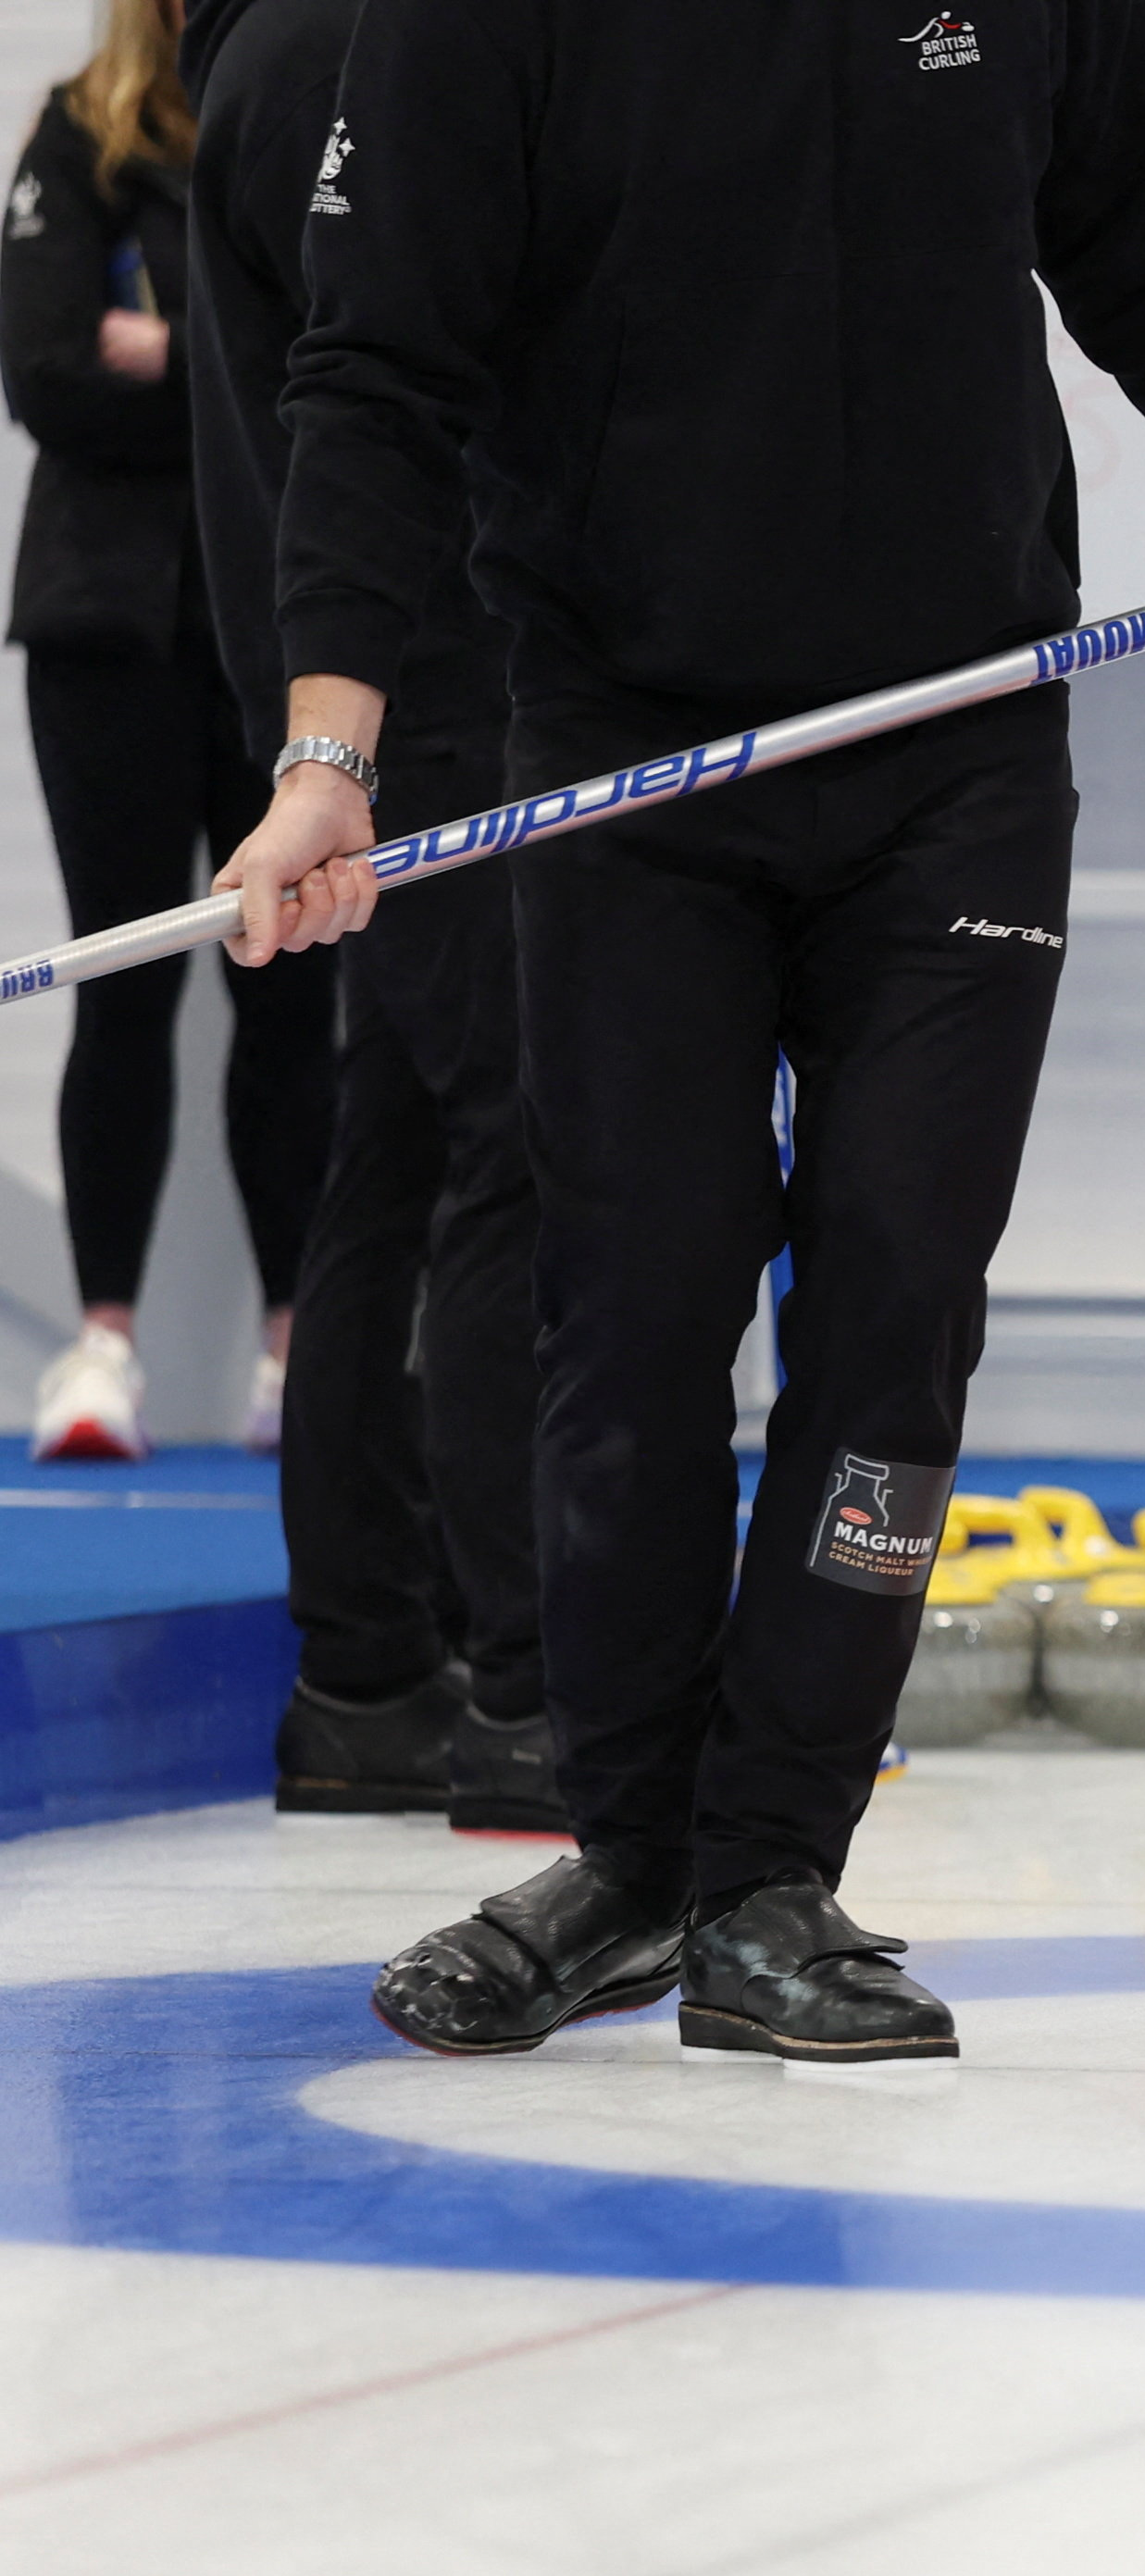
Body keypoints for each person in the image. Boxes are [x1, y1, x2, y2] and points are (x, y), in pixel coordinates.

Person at [216, 0, 1145, 2065]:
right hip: (632, 755)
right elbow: (376, 371)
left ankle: (773, 1868)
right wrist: (328, 748)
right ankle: (630, 1852)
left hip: (954, 748)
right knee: (631, 1316)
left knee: (892, 1308)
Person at [180, 0, 549, 1831]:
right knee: (520, 1155)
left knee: (402, 1158)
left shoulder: (273, 39)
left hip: (375, 691)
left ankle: (372, 1680)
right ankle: (533, 1686)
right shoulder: (350, 47)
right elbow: (379, 393)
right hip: (433, 687)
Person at [5, 0, 326, 1465]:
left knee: (291, 993)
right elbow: (50, 366)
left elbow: (338, 368)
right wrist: (216, 360)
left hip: (276, 625)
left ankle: (294, 1350)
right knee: (122, 979)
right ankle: (102, 1347)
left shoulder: (321, 100)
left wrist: (162, 340)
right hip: (109, 626)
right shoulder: (80, 130)